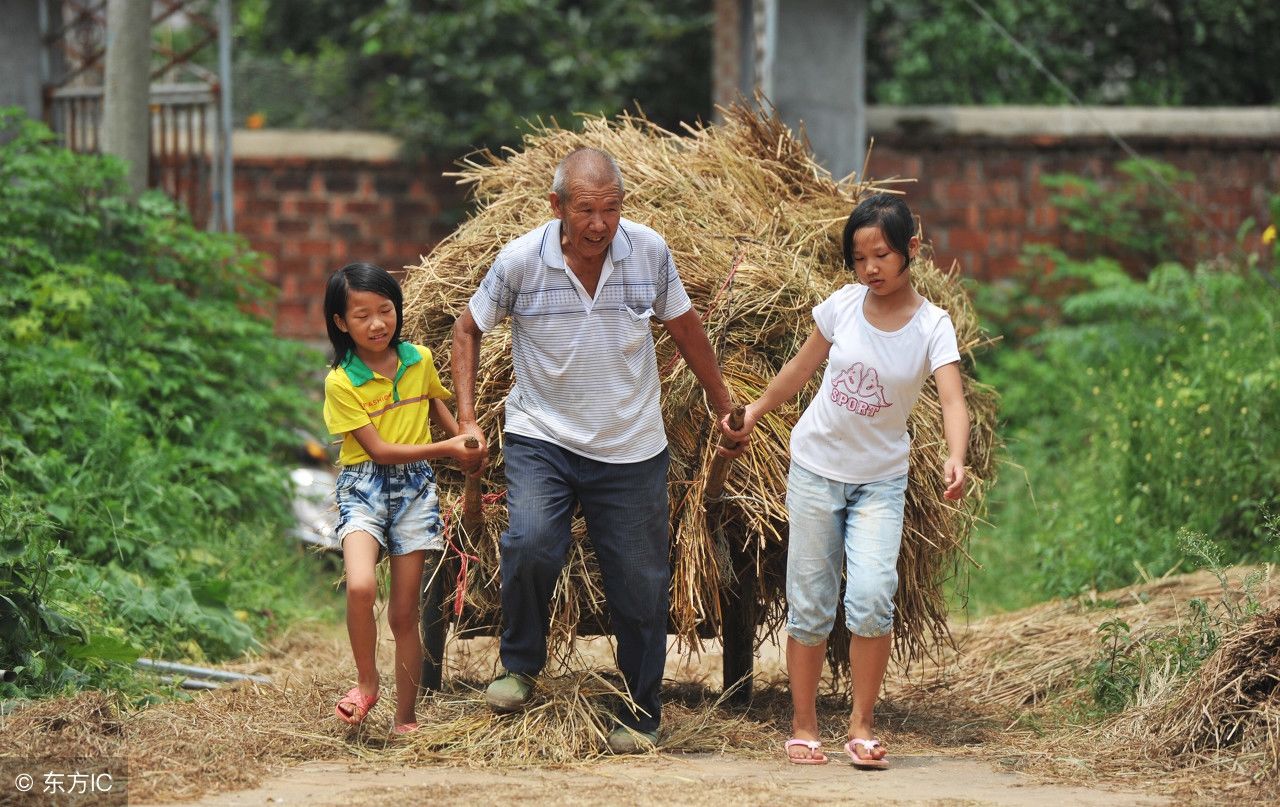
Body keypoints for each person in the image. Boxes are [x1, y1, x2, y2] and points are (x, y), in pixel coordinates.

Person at [451, 147, 740, 754]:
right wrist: (470, 417)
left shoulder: (649, 253)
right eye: (587, 209)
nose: (600, 224)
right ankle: (519, 665)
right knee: (529, 542)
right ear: (557, 206)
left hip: (631, 444)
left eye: (611, 209)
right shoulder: (521, 261)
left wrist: (721, 402)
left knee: (640, 579)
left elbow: (686, 327)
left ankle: (640, 710)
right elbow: (468, 327)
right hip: (542, 437)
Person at [721, 194, 970, 769]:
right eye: (858, 260)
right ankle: (804, 727)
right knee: (809, 602)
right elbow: (799, 370)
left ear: (911, 248)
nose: (870, 270)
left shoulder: (933, 325)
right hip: (815, 469)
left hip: (881, 480)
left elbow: (952, 398)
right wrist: (756, 410)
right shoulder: (842, 307)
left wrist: (956, 456)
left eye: (880, 255)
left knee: (872, 596)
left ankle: (861, 725)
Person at [322, 262, 485, 734]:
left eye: (385, 310)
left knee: (405, 612)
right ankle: (367, 684)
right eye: (362, 316)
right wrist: (448, 448)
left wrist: (465, 442)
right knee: (360, 587)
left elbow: (435, 404)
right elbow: (379, 450)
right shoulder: (340, 382)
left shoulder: (419, 359)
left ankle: (405, 718)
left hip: (415, 490)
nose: (377, 324)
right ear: (340, 322)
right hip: (364, 486)